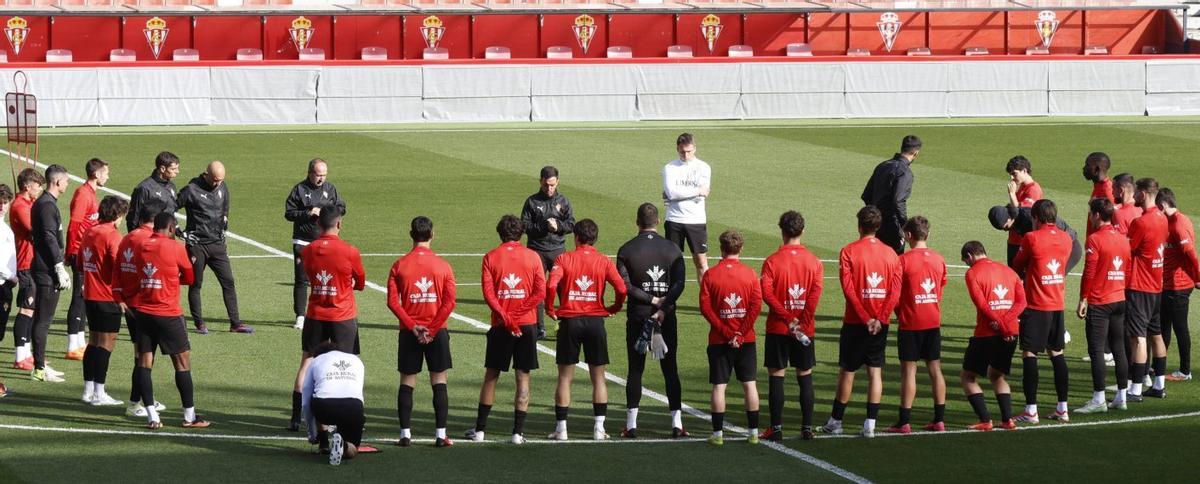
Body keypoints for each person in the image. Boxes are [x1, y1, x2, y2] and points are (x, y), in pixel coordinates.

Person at [820, 206, 902, 438]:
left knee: (848, 371)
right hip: (880, 324)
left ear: (859, 226)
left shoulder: (848, 251)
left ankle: (836, 421)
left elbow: (849, 290)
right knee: (875, 372)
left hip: (856, 322)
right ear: (878, 227)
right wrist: (881, 318)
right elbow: (895, 292)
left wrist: (866, 318)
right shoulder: (891, 254)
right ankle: (870, 425)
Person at [465, 215, 545, 445]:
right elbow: (540, 292)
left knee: (491, 376)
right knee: (523, 377)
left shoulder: (491, 257)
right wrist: (518, 316)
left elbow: (488, 294)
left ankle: (480, 431)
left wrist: (507, 317)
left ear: (500, 233)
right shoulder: (533, 256)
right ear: (521, 233)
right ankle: (517, 434)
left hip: (501, 325)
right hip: (527, 325)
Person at [544, 219, 626, 441]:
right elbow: (621, 288)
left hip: (570, 321)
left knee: (564, 377)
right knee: (598, 378)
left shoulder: (564, 258)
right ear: (595, 238)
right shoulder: (604, 261)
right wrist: (613, 308)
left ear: (576, 237)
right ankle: (599, 429)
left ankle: (561, 430)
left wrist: (550, 309)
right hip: (595, 322)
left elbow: (551, 285)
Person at [125, 212, 208, 429]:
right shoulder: (175, 247)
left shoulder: (141, 246)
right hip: (169, 313)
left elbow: (136, 274)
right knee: (182, 363)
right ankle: (189, 416)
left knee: (144, 362)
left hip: (144, 312)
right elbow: (190, 278)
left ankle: (152, 416)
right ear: (171, 228)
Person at [615, 203, 687, 439]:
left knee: (636, 369)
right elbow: (679, 284)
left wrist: (651, 299)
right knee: (670, 369)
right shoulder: (673, 249)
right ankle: (677, 424)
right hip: (666, 317)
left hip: (638, 315)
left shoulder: (626, 250)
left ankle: (631, 426)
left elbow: (625, 286)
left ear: (638, 222)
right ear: (657, 222)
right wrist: (663, 306)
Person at [289, 209, 364, 432]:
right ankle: (352, 415)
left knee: (307, 362)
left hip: (315, 314)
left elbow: (310, 276)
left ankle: (296, 417)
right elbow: (360, 281)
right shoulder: (349, 251)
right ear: (339, 224)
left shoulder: (308, 250)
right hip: (343, 315)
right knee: (348, 365)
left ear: (318, 224)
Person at [386, 216, 457, 448]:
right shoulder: (443, 265)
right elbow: (450, 302)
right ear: (432, 235)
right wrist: (433, 329)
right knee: (439, 380)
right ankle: (440, 435)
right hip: (437, 332)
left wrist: (412, 326)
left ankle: (405, 435)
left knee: (407, 381)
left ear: (411, 235)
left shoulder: (399, 265)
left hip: (410, 332)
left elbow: (392, 302)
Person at [758, 210, 822, 441]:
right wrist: (802, 322)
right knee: (805, 375)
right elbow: (814, 294)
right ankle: (807, 428)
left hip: (778, 327)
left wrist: (787, 318)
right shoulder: (814, 261)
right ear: (802, 231)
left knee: (777, 376)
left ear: (781, 231)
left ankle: (776, 429)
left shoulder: (772, 261)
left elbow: (766, 293)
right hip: (804, 330)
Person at [1011, 199, 1073, 423]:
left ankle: (1031, 411)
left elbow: (1017, 265)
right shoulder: (1066, 238)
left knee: (1029, 354)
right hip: (1057, 304)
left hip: (1036, 304)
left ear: (1036, 218)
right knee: (1057, 353)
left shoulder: (1031, 238)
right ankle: (1063, 409)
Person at [699, 230, 762, 446]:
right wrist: (740, 333)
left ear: (721, 248)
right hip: (746, 340)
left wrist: (727, 333)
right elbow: (756, 306)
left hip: (719, 340)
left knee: (719, 386)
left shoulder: (711, 275)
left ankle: (717, 435)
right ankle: (753, 433)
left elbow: (705, 308)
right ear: (741, 248)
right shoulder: (750, 274)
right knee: (750, 385)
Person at [176, 161, 251, 335]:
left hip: (217, 245)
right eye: (215, 180)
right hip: (197, 245)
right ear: (206, 174)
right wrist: (180, 232)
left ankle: (235, 323)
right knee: (196, 284)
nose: (218, 183)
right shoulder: (191, 190)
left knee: (228, 282)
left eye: (221, 180)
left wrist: (224, 223)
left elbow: (225, 208)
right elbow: (170, 208)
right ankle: (199, 323)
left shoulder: (223, 187)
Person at [887, 216, 947, 434]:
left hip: (910, 322)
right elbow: (940, 288)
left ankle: (904, 422)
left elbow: (894, 294)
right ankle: (939, 420)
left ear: (908, 235)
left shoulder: (902, 261)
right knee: (935, 369)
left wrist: (899, 313)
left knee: (909, 371)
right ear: (927, 234)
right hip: (932, 320)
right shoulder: (939, 259)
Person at [960, 241, 1025, 431]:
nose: (967, 264)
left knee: (967, 376)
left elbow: (982, 305)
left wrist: (1000, 324)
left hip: (987, 333)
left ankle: (985, 420)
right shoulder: (1009, 271)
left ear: (970, 256)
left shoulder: (973, 273)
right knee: (997, 375)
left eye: (966, 261)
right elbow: (1022, 303)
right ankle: (1007, 420)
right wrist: (1006, 324)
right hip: (1011, 333)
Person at [1074, 198, 1131, 414]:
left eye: (1091, 213)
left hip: (1100, 302)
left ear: (1098, 215)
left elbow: (1089, 272)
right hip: (1119, 299)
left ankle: (1099, 399)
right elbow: (1128, 269)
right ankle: (1121, 397)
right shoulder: (1123, 239)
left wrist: (1083, 298)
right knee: (1119, 347)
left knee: (1097, 350)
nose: (1089, 216)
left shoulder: (1095, 239)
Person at [115, 198, 169, 418]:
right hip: (145, 305)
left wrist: (119, 296)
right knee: (145, 357)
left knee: (141, 354)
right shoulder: (149, 241)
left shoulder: (128, 237)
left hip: (129, 303)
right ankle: (136, 402)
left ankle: (143, 398)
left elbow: (118, 269)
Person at [284, 158, 347, 331]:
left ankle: (327, 312)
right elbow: (289, 213)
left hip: (326, 242)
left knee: (327, 278)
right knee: (301, 279)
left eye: (324, 175)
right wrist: (308, 213)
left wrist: (327, 212)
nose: (321, 179)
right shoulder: (299, 189)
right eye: (319, 175)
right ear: (310, 173)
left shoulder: (330, 189)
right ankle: (300, 316)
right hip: (303, 241)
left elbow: (342, 208)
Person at [79, 196, 130, 407]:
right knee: (106, 344)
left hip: (90, 295)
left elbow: (81, 263)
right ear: (117, 215)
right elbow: (120, 266)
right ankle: (99, 393)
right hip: (108, 297)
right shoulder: (113, 235)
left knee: (93, 342)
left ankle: (88, 390)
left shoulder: (90, 231)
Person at [301, 341, 378, 466]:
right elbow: (359, 392)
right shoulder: (356, 360)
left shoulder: (316, 361)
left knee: (317, 394)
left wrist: (312, 433)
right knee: (353, 449)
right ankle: (345, 445)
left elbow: (305, 399)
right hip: (353, 407)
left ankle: (323, 442)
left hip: (324, 407)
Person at [521, 166, 575, 340]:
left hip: (558, 251)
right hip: (536, 251)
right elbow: (525, 226)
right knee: (538, 289)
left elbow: (571, 224)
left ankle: (565, 325)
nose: (549, 188)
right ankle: (539, 328)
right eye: (546, 185)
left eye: (552, 185)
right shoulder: (531, 202)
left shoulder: (564, 201)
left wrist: (558, 227)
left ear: (557, 182)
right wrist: (544, 226)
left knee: (562, 289)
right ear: (540, 182)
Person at [1127, 178, 1169, 399]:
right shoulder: (1162, 218)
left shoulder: (1141, 222)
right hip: (1156, 285)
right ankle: (1159, 385)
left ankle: (1135, 389)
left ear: (1143, 194)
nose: (1134, 196)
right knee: (1156, 335)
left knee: (1138, 338)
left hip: (1140, 286)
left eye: (1136, 193)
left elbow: (1128, 250)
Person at [30, 164, 72, 383]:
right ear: (57, 182)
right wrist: (58, 265)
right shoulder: (47, 206)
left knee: (43, 319)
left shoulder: (46, 203)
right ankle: (39, 368)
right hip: (46, 270)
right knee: (43, 320)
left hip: (45, 267)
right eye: (66, 181)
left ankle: (40, 364)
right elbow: (48, 236)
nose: (67, 184)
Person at [64, 158, 109, 360]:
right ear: (97, 174)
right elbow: (74, 226)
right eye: (106, 173)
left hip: (86, 252)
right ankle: (72, 345)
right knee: (79, 296)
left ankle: (80, 342)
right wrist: (70, 252)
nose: (108, 176)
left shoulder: (90, 193)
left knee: (84, 296)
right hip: (79, 252)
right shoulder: (83, 194)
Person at [1158, 188, 1200, 382]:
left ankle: (1185, 371)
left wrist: (1198, 278)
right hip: (1168, 285)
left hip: (1179, 286)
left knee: (1180, 327)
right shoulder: (1171, 222)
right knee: (1163, 326)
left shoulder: (1178, 225)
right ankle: (1158, 366)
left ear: (1163, 205)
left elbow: (1191, 255)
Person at [662, 133, 713, 278]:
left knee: (701, 262)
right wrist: (696, 191)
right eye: (682, 152)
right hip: (674, 219)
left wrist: (677, 195)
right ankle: (672, 293)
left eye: (689, 151)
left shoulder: (704, 167)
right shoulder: (669, 168)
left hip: (696, 220)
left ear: (694, 148)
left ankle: (706, 293)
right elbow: (672, 193)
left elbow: (703, 194)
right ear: (677, 149)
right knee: (672, 262)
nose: (686, 155)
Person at [861, 135, 921, 254]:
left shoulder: (882, 166)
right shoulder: (905, 172)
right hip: (892, 227)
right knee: (893, 261)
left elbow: (866, 195)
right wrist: (905, 225)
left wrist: (875, 216)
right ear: (916, 153)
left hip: (876, 225)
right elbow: (898, 201)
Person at [9, 168, 44, 371]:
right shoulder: (20, 205)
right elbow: (34, 231)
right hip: (25, 263)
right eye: (37, 185)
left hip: (33, 262)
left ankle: (27, 354)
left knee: (32, 309)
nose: (39, 189)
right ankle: (19, 356)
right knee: (26, 308)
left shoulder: (29, 204)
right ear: (27, 186)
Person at [987, 204, 1083, 274]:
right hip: (1055, 246)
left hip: (1070, 248)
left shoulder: (1029, 220)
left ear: (1009, 218)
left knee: (1049, 279)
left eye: (1006, 227)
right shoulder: (1017, 221)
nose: (1006, 230)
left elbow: (1047, 241)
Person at [1004, 156, 1044, 263]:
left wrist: (1012, 194)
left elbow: (1023, 213)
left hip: (1023, 241)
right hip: (1014, 239)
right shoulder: (1022, 187)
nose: (1012, 177)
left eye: (1014, 173)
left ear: (1024, 171)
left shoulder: (1033, 189)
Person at [127, 151, 180, 232]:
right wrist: (135, 236)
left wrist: (176, 227)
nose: (177, 171)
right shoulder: (144, 188)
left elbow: (171, 211)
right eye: (173, 169)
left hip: (167, 234)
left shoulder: (171, 186)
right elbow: (134, 217)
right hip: (150, 235)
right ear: (162, 169)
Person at [0, 185, 16, 364]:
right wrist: (11, 276)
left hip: (5, 285)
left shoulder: (5, 227)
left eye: (5, 202)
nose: (2, 206)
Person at [1082, 152, 1115, 236]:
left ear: (1096, 169)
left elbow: (1115, 221)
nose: (1084, 168)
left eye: (1087, 165)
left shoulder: (1107, 191)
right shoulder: (1098, 186)